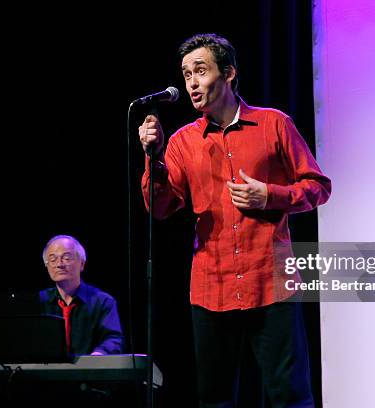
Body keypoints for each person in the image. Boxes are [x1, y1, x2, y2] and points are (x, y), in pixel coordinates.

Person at [139, 33, 331, 407]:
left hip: (270, 284)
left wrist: (271, 195)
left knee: (290, 396)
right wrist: (154, 158)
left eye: (200, 71)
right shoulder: (182, 142)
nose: (191, 82)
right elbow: (160, 208)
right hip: (212, 288)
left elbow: (318, 186)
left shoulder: (273, 124)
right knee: (215, 399)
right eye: (185, 74)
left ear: (228, 73)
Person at [39, 234, 123, 355]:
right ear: (47, 267)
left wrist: (99, 354)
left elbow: (113, 339)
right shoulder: (39, 301)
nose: (59, 264)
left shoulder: (103, 302)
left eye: (66, 258)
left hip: (90, 371)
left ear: (82, 264)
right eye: (52, 259)